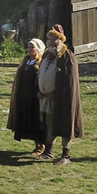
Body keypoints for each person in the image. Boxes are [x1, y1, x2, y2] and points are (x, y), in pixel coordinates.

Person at [38, 24, 82, 165]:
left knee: (65, 125)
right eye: (49, 38)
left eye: (54, 39)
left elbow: (70, 82)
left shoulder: (67, 56)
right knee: (50, 124)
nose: (51, 41)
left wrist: (57, 95)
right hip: (46, 98)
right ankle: (49, 151)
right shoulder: (47, 54)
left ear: (61, 39)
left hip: (62, 100)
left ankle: (65, 156)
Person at [7, 39, 46, 157]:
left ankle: (41, 145)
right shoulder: (25, 61)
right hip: (25, 96)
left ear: (38, 49)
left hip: (36, 96)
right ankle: (36, 144)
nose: (29, 50)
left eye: (32, 48)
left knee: (37, 120)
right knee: (27, 119)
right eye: (28, 48)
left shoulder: (41, 62)